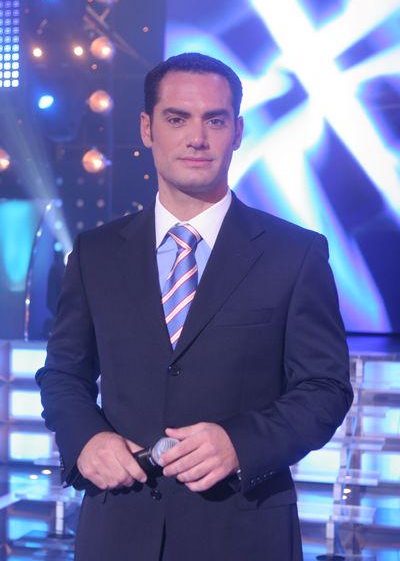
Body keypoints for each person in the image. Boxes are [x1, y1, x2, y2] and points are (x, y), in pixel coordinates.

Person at [36, 52, 353, 561]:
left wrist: (241, 444)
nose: (197, 138)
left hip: (244, 532)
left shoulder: (294, 254)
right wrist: (86, 439)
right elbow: (62, 375)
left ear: (238, 131)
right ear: (147, 128)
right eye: (177, 119)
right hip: (119, 529)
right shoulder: (96, 253)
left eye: (215, 120)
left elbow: (325, 388)